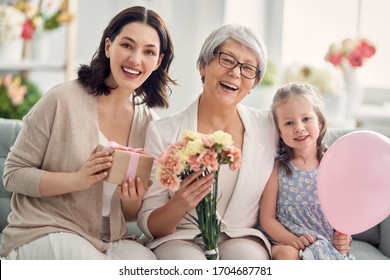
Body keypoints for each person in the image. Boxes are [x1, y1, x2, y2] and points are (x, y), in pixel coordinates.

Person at [0, 6, 176, 260]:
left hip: (109, 238)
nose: (136, 59)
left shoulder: (151, 125)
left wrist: (131, 200)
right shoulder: (62, 99)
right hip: (47, 229)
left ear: (158, 61)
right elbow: (13, 175)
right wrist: (77, 179)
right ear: (108, 47)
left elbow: (129, 214)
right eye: (127, 45)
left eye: (148, 51)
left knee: (146, 264)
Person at [137, 24, 277, 260]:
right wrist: (180, 203)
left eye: (248, 68)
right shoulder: (162, 132)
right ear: (203, 66)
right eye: (227, 59)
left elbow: (309, 153)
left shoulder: (269, 126)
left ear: (253, 83)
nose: (235, 72)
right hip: (180, 239)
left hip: (240, 237)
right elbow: (149, 224)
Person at [259, 82, 354, 260]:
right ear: (279, 132)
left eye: (306, 119)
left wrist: (344, 238)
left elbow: (344, 213)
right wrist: (292, 239)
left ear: (319, 121)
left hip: (325, 243)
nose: (299, 128)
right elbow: (267, 219)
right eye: (289, 123)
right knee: (286, 254)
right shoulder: (278, 169)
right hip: (288, 241)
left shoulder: (332, 166)